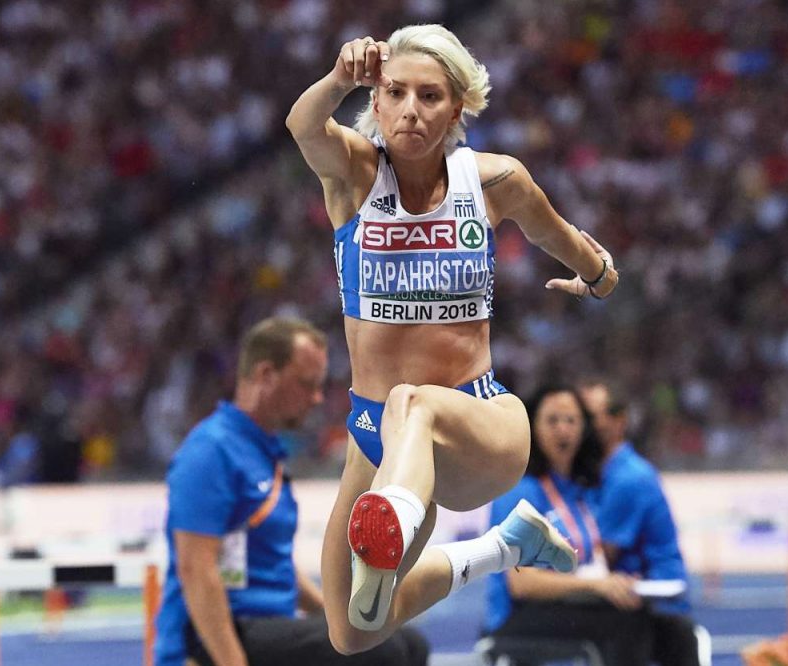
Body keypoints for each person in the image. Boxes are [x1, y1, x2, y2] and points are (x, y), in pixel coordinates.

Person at [285, 24, 619, 654]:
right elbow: (303, 127)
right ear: (376, 101)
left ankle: (395, 514)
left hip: (480, 424)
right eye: (396, 93)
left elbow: (555, 233)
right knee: (352, 631)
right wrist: (337, 78)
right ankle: (502, 548)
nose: (411, 109)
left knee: (413, 400)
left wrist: (598, 274)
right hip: (375, 434)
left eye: (430, 96)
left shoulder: (494, 180)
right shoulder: (353, 174)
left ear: (457, 108)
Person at [154, 317, 430, 666]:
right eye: (306, 384)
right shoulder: (211, 451)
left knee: (409, 643)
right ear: (266, 375)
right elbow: (196, 569)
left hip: (269, 630)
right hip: (216, 639)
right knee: (386, 654)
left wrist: (339, 622)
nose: (316, 398)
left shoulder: (264, 454)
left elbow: (277, 567)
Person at [484, 383, 653, 666]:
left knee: (665, 626)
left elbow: (594, 558)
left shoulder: (581, 491)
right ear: (533, 428)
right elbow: (522, 583)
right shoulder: (519, 491)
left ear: (584, 429)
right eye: (552, 420)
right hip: (519, 616)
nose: (563, 429)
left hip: (572, 606)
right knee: (623, 626)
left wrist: (619, 582)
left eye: (571, 420)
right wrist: (597, 586)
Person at [579, 380, 699, 666]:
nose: (581, 427)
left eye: (590, 416)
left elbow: (601, 555)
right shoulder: (601, 474)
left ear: (619, 420)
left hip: (655, 603)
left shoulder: (629, 478)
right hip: (632, 599)